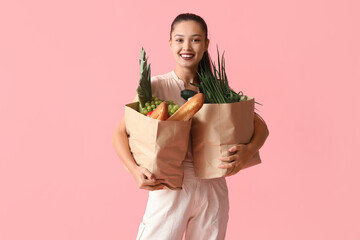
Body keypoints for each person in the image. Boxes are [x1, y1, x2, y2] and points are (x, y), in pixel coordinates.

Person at [112, 13, 269, 240]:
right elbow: (119, 133)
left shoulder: (218, 90)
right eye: (179, 39)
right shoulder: (155, 86)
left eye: (195, 40)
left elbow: (261, 127)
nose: (187, 46)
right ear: (170, 43)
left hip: (212, 184)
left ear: (206, 44)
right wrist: (135, 171)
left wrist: (247, 152)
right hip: (170, 185)